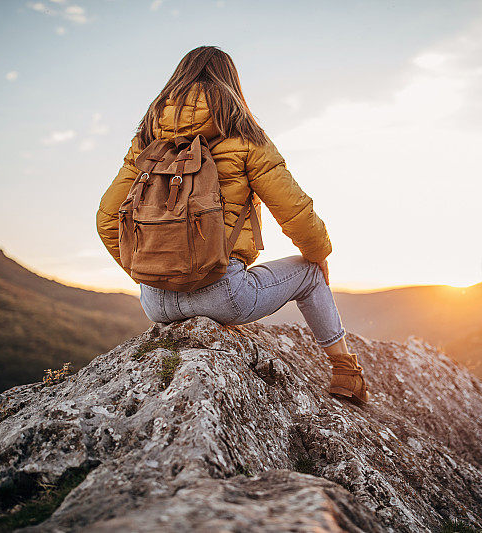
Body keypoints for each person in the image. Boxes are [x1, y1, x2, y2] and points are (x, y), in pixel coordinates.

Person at [96, 46, 369, 404]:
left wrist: (151, 272)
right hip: (222, 295)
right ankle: (346, 373)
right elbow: (295, 211)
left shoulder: (148, 139)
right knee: (310, 273)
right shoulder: (244, 135)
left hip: (156, 303)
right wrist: (320, 254)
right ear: (230, 84)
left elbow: (107, 219)